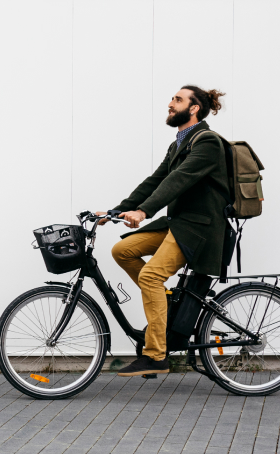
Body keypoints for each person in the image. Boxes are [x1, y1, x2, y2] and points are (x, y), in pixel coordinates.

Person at [101, 85, 230, 377]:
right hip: (179, 225)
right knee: (123, 250)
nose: (170, 104)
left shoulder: (207, 142)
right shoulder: (178, 145)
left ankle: (156, 355)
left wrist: (144, 211)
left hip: (199, 230)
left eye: (177, 99)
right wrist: (116, 211)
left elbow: (179, 181)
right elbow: (156, 180)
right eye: (172, 99)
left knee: (150, 275)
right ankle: (167, 301)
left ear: (194, 108)